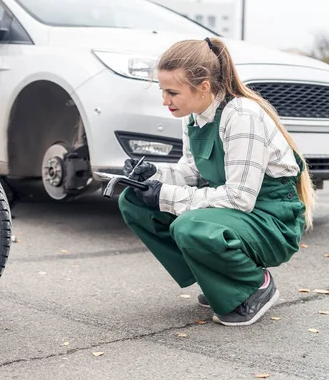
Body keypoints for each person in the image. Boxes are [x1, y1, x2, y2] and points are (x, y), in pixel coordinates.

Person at [118, 37, 316, 326]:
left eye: (172, 92)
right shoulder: (195, 115)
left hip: (271, 221)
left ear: (204, 87)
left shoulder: (241, 115)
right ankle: (216, 280)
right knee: (133, 201)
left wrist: (165, 196)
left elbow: (239, 198)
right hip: (238, 214)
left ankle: (254, 285)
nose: (165, 100)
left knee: (189, 226)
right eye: (162, 91)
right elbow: (193, 171)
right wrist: (153, 175)